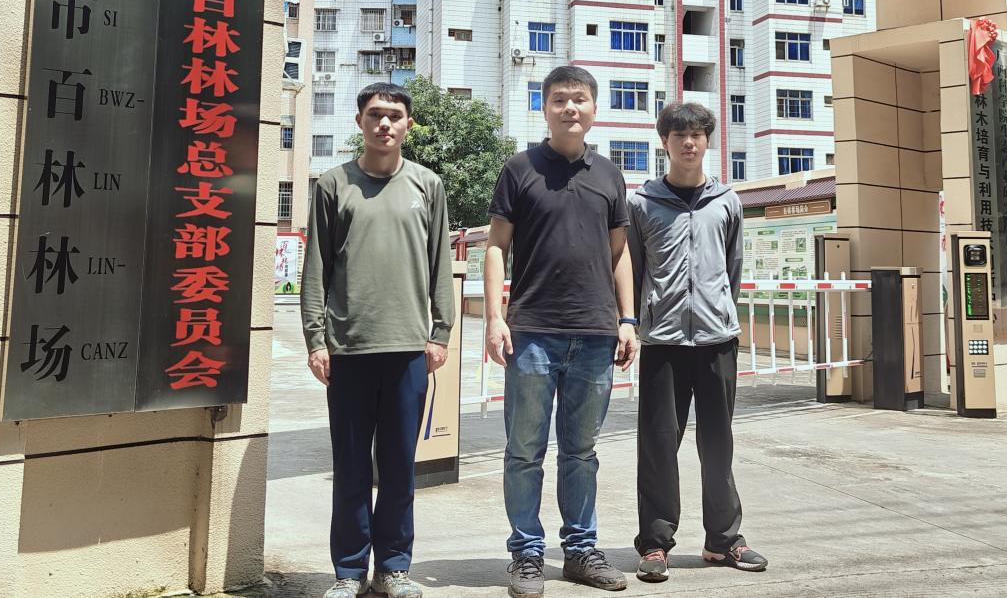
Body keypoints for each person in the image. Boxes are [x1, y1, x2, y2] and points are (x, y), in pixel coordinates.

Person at [484, 65, 638, 598]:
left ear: (594, 108)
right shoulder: (519, 169)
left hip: (595, 334)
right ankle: (527, 555)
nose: (570, 107)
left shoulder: (610, 175)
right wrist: (496, 317)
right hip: (532, 332)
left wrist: (627, 319)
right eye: (559, 99)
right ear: (544, 108)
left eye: (579, 99)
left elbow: (619, 254)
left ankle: (580, 551)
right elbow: (496, 246)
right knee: (524, 451)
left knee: (581, 452)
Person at [301, 82, 456, 598]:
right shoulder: (333, 184)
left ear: (408, 124)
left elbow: (440, 262)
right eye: (374, 115)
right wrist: (316, 339)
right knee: (349, 467)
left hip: (409, 349)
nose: (384, 124)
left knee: (397, 468)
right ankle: (349, 572)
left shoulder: (427, 185)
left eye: (394, 115)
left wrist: (440, 332)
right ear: (359, 122)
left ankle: (393, 567)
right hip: (348, 349)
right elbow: (316, 268)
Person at [627, 102, 767, 583]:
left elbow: (732, 269)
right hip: (662, 341)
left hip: (716, 340)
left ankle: (723, 540)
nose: (689, 143)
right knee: (658, 445)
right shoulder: (642, 204)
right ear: (664, 142)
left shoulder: (727, 201)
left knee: (718, 443)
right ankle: (655, 543)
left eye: (697, 135)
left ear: (708, 141)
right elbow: (635, 270)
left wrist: (719, 313)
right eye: (679, 135)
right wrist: (636, 322)